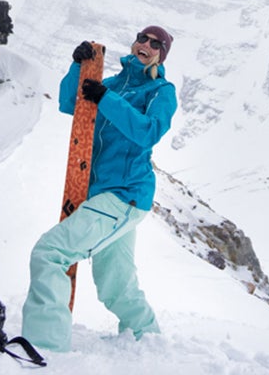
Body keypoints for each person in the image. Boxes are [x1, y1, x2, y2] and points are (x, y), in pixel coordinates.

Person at [21, 26, 178, 352]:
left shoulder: (161, 91)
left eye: (155, 43)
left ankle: (43, 346)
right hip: (101, 196)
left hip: (125, 195)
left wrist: (107, 100)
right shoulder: (111, 84)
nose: (145, 45)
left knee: (50, 254)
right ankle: (147, 340)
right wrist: (78, 65)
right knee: (116, 285)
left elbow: (148, 131)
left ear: (162, 55)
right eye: (142, 38)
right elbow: (70, 104)